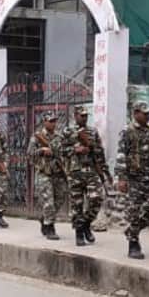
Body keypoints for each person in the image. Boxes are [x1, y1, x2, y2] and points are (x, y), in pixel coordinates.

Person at [115, 101, 149, 260]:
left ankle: (132, 231)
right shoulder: (127, 131)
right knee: (134, 212)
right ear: (136, 113)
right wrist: (121, 178)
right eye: (145, 113)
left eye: (148, 113)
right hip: (134, 179)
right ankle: (133, 244)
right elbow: (121, 155)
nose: (147, 116)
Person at [61, 105, 110, 248]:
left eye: (86, 116)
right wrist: (75, 149)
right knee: (77, 205)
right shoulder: (67, 131)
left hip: (91, 172)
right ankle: (79, 233)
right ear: (75, 116)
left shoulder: (92, 132)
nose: (84, 118)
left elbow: (99, 153)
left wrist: (104, 172)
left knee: (96, 198)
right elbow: (60, 150)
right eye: (81, 115)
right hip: (75, 173)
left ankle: (86, 224)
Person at [29, 112, 66, 241]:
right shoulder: (37, 137)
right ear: (44, 122)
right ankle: (50, 227)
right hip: (44, 173)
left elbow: (64, 153)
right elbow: (29, 155)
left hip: (58, 173)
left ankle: (45, 217)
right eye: (50, 121)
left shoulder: (59, 137)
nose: (53, 123)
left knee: (60, 198)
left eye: (54, 121)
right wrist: (42, 151)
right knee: (48, 202)